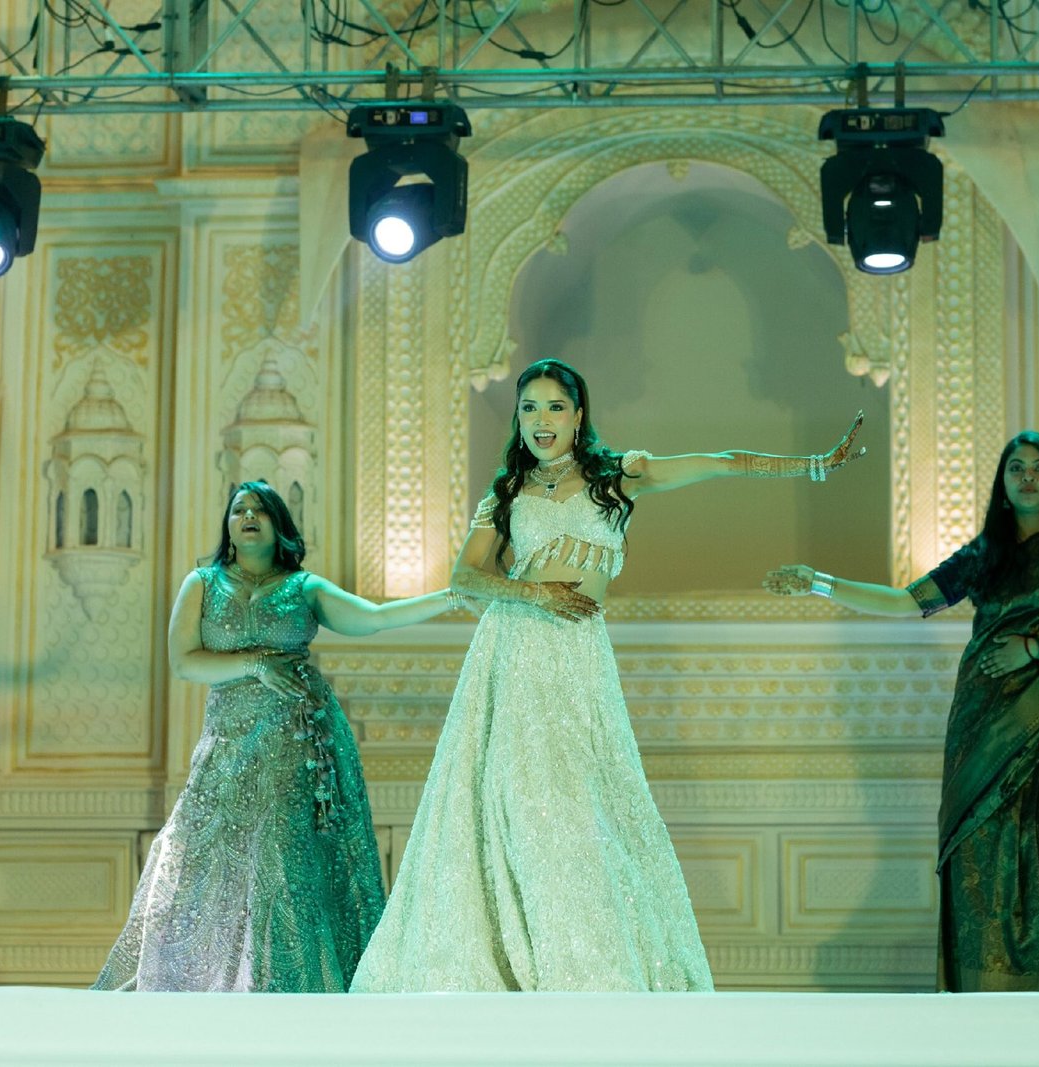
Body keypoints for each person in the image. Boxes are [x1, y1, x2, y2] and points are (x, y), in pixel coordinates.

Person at [349, 358, 864, 992]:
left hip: (578, 658)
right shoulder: (505, 494)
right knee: (518, 801)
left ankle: (586, 966)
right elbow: (464, 577)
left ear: (578, 416)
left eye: (555, 407)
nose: (542, 421)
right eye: (529, 408)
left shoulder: (616, 478)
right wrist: (536, 594)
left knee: (581, 805)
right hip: (512, 654)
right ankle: (520, 965)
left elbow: (721, 461)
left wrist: (813, 465)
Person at [764, 430, 1039, 991]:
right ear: (1002, 483)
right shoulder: (985, 555)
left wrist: (1036, 647)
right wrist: (821, 583)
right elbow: (907, 600)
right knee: (980, 867)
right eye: (1016, 468)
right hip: (983, 733)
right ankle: (979, 1005)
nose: (1027, 477)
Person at [92, 480, 464, 992]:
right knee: (203, 852)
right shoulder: (202, 583)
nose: (248, 516)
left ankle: (289, 984)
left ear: (279, 525)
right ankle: (203, 981)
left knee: (284, 855)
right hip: (229, 746)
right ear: (228, 526)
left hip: (298, 744)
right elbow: (184, 661)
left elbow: (374, 618)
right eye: (238, 509)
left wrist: (452, 596)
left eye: (260, 510)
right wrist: (256, 664)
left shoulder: (303, 588)